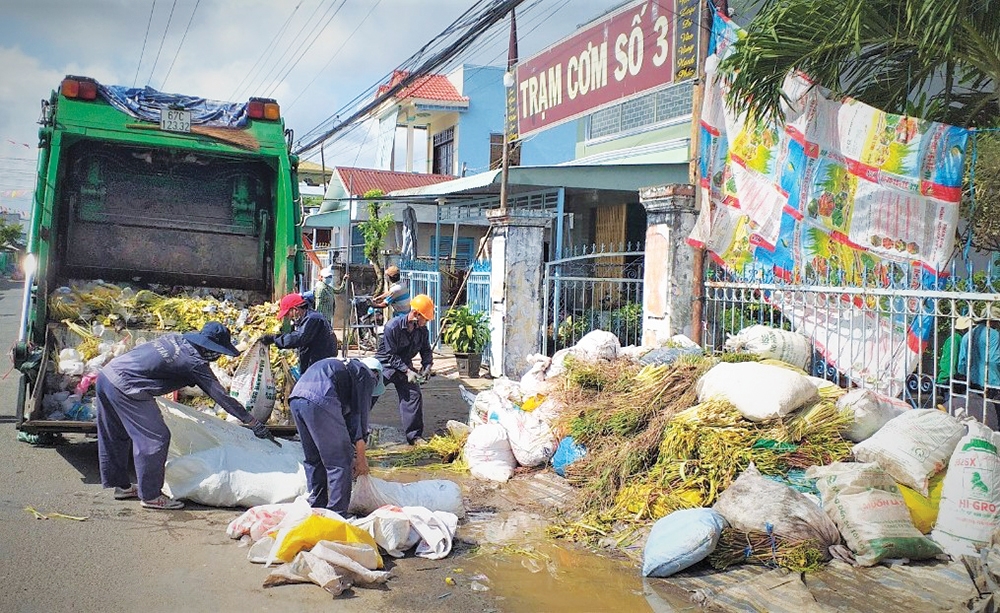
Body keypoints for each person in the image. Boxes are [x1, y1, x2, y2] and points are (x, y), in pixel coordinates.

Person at [95, 322, 271, 510]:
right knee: (155, 438)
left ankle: (122, 486)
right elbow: (221, 396)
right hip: (127, 387)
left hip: (106, 376)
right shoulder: (194, 362)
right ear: (207, 347)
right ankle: (151, 496)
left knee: (116, 434)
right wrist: (251, 421)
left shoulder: (175, 339)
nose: (216, 355)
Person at [288, 356, 385, 515]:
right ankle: (337, 514)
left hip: (297, 397)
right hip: (321, 397)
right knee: (340, 461)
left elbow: (346, 425)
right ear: (376, 375)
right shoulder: (366, 375)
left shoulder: (344, 370)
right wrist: (360, 460)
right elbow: (360, 420)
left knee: (315, 459)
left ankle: (316, 507)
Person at [374, 293, 434, 445]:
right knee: (368, 395)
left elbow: (426, 350)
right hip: (385, 365)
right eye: (425, 319)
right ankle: (355, 433)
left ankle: (414, 436)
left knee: (413, 395)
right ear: (415, 314)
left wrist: (427, 366)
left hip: (405, 366)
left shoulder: (422, 331)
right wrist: (407, 371)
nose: (426, 322)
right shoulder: (392, 327)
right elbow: (391, 355)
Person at [261, 293, 337, 375]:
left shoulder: (313, 319)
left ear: (295, 309)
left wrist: (274, 338)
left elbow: (298, 338)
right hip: (316, 364)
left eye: (288, 314)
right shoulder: (308, 318)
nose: (288, 317)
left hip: (320, 367)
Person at [956, 312, 1000, 421]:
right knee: (995, 414)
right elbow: (995, 360)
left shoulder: (967, 335)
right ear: (994, 321)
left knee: (976, 413)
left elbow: (961, 363)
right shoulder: (993, 334)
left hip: (972, 382)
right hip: (992, 381)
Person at [936, 315, 971, 404]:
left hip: (950, 378)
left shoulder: (958, 338)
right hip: (948, 379)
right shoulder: (956, 339)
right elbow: (951, 361)